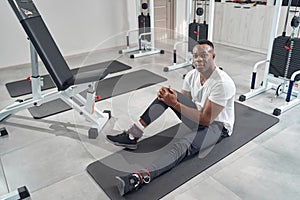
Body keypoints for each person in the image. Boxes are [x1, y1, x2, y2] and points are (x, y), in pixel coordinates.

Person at [106, 39, 236, 196]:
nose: (199, 59)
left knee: (181, 145)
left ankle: (140, 177)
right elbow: (185, 102)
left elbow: (206, 120)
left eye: (204, 55)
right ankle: (133, 134)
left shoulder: (222, 83)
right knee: (167, 95)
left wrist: (174, 103)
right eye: (195, 56)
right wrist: (169, 98)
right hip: (199, 117)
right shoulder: (191, 75)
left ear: (213, 56)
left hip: (217, 126)